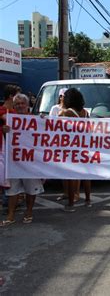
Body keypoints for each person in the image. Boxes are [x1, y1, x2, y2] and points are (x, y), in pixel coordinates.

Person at [1, 94, 44, 226]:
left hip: (30, 161)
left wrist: (43, 121)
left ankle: (29, 212)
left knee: (31, 188)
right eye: (17, 104)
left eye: (22, 103)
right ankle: (10, 215)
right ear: (14, 106)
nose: (20, 106)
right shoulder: (9, 120)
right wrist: (4, 130)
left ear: (27, 105)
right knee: (12, 190)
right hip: (14, 160)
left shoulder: (35, 119)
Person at [59, 88, 92, 212]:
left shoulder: (66, 113)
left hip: (71, 147)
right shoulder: (85, 112)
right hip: (84, 146)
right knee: (86, 175)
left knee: (71, 175)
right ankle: (88, 200)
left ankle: (71, 204)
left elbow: (55, 126)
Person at [1, 85, 21, 212]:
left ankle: (10, 201)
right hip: (2, 148)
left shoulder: (16, 113)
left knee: (11, 176)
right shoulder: (1, 111)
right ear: (10, 96)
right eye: (17, 96)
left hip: (13, 150)